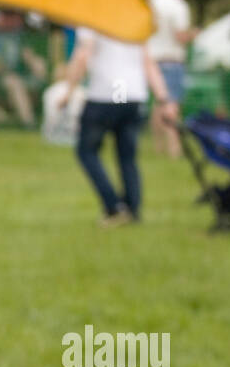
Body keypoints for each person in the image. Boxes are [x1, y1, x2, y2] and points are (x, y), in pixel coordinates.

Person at [61, 27, 177, 225]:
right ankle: (132, 209)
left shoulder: (93, 20)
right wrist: (163, 98)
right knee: (126, 155)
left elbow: (82, 56)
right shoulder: (132, 21)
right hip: (134, 94)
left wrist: (68, 92)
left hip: (111, 92)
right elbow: (148, 63)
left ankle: (114, 206)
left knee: (86, 151)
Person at [147, 0, 198, 157]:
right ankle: (174, 148)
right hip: (171, 59)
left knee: (158, 104)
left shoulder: (151, 1)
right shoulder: (178, 5)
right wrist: (194, 34)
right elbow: (180, 36)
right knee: (171, 103)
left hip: (151, 59)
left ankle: (158, 147)